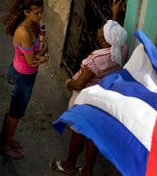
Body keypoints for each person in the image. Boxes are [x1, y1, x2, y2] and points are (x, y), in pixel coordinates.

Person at [49, 19, 127, 175]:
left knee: (78, 132)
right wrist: (115, 15)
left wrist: (69, 82)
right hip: (102, 100)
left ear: (105, 40)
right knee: (93, 136)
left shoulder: (96, 61)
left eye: (101, 30)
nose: (98, 30)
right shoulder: (122, 48)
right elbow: (114, 33)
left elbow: (79, 84)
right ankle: (87, 170)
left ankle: (69, 164)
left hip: (86, 100)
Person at [0, 0, 49, 160]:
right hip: (21, 76)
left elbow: (38, 49)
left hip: (25, 75)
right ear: (26, 12)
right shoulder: (24, 31)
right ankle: (6, 145)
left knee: (14, 109)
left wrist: (41, 50)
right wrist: (43, 58)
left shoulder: (33, 25)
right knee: (16, 112)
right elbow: (31, 61)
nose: (40, 16)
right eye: (36, 13)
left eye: (41, 12)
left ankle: (5, 139)